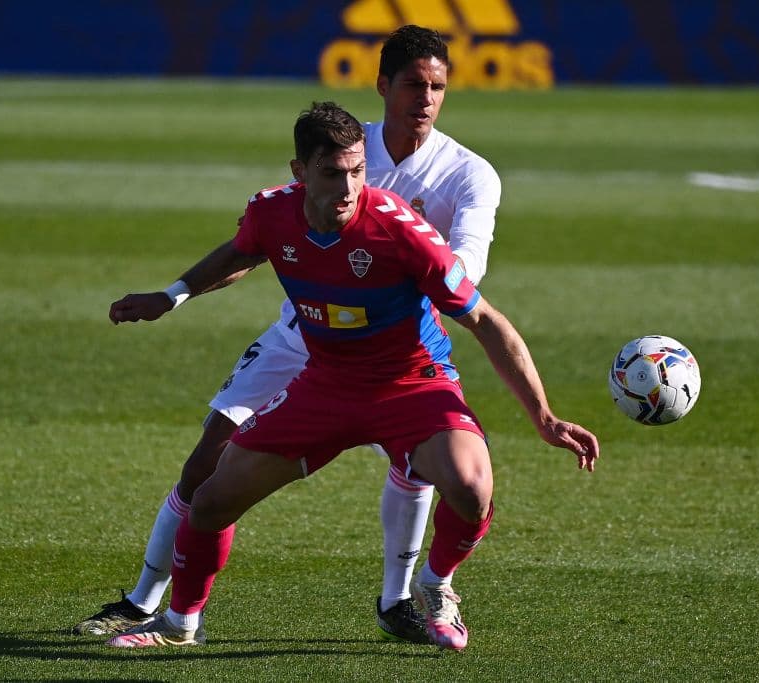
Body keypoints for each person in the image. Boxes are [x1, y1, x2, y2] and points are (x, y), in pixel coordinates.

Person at [102, 101, 598, 651]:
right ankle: (177, 623)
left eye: (358, 171)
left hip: (412, 383)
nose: (348, 187)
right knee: (213, 497)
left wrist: (544, 416)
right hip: (327, 385)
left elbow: (484, 320)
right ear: (300, 173)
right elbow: (243, 252)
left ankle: (435, 585)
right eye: (332, 173)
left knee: (472, 488)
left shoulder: (402, 232)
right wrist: (170, 297)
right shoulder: (271, 212)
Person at [73, 25, 502, 645]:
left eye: (438, 86)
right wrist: (174, 294)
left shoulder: (469, 175)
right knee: (208, 461)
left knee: (426, 469)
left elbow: (465, 272)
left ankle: (399, 599)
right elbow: (259, 243)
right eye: (414, 84)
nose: (426, 98)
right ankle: (146, 602)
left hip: (395, 341)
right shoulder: (345, 146)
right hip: (304, 334)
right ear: (384, 86)